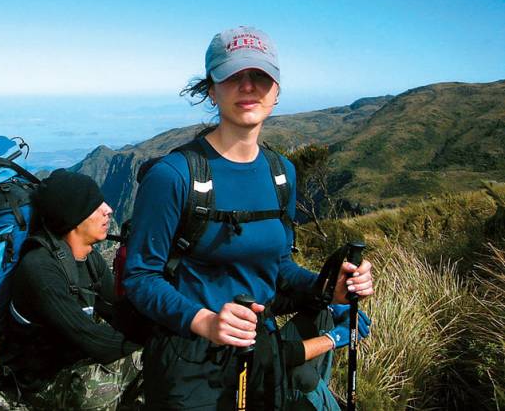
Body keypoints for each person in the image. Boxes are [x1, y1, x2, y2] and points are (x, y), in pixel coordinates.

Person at [123, 26, 374, 410]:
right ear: (211, 88)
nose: (248, 86)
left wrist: (330, 287)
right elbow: (141, 279)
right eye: (233, 76)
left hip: (262, 353)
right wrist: (204, 321)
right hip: (188, 366)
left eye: (260, 76)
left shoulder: (281, 173)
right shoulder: (174, 176)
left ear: (276, 89)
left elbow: (278, 266)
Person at [0, 169, 142, 410]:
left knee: (167, 355)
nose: (108, 210)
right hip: (41, 385)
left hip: (72, 365)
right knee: (152, 360)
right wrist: (151, 343)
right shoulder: (40, 268)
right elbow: (92, 338)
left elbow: (120, 314)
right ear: (73, 217)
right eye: (96, 206)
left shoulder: (89, 258)